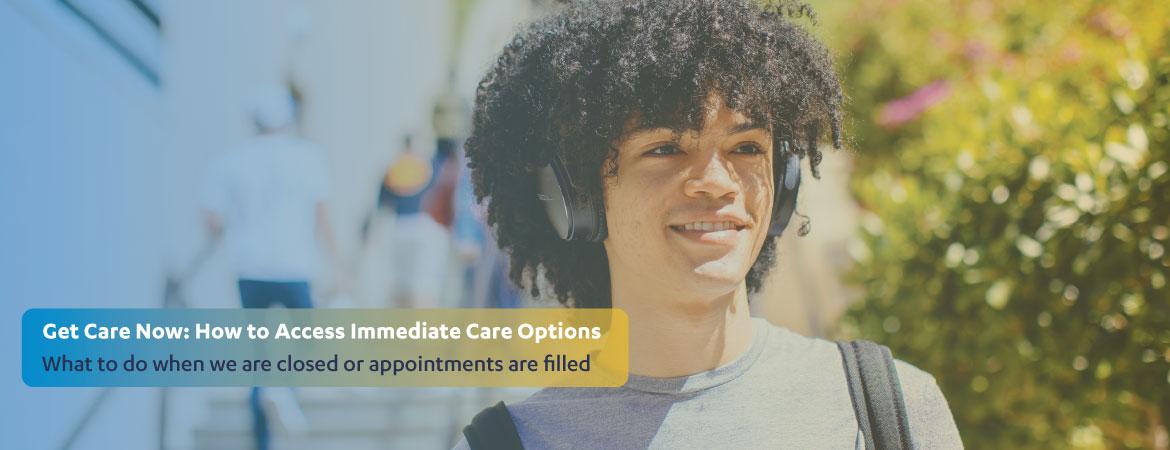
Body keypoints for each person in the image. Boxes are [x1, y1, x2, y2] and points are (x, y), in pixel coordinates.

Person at [454, 0, 963, 448]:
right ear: (577, 197)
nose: (717, 182)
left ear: (782, 184)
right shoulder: (512, 443)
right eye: (665, 148)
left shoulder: (891, 409)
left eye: (746, 147)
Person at [201, 84, 336, 450]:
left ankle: (262, 439)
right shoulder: (308, 157)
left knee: (258, 357)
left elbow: (212, 219)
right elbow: (322, 217)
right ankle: (285, 385)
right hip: (295, 267)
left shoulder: (232, 161)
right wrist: (338, 265)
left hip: (250, 269)